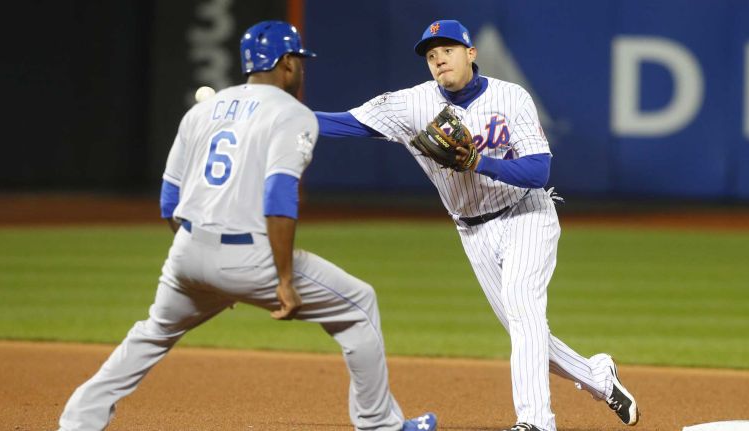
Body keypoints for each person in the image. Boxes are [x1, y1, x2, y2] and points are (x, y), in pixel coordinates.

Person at [55, 20, 437, 431]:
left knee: (152, 333)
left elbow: (169, 200)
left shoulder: (201, 110)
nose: (301, 68)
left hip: (186, 250)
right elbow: (279, 197)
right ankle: (378, 424)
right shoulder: (293, 114)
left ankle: (78, 421)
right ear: (286, 63)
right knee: (359, 305)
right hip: (249, 258)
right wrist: (283, 279)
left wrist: (208, 266)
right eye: (299, 61)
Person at [314, 19, 640, 431]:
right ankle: (598, 376)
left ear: (471, 53)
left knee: (523, 308)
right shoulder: (412, 105)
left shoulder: (511, 97)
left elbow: (538, 171)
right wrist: (282, 117)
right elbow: (344, 123)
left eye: (447, 50)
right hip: (472, 230)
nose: (439, 60)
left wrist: (478, 162)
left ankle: (536, 422)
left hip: (526, 213)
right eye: (431, 56)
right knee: (526, 329)